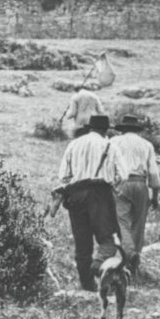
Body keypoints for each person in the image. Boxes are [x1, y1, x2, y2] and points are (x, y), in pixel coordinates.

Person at [52, 113, 120, 291]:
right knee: (108, 238)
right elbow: (122, 174)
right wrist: (111, 183)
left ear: (90, 127)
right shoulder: (109, 145)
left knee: (82, 243)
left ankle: (87, 284)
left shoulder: (74, 144)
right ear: (105, 130)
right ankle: (99, 265)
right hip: (100, 193)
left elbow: (63, 176)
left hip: (75, 195)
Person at [108, 113, 160, 279]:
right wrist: (155, 195)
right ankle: (134, 263)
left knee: (121, 222)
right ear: (137, 129)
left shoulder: (113, 142)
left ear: (122, 129)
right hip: (141, 184)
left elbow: (108, 167)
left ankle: (129, 254)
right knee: (138, 225)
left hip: (121, 184)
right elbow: (153, 171)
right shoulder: (146, 145)